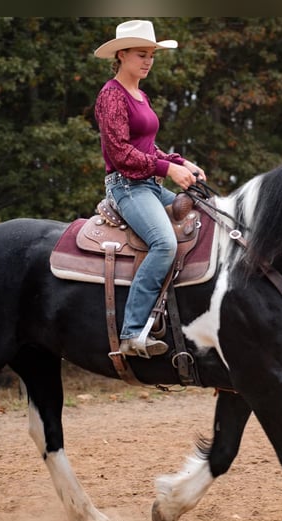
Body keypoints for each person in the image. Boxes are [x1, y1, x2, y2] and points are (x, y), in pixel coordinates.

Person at [94, 20, 206, 358]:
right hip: (127, 187)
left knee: (204, 216)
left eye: (152, 56)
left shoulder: (140, 95)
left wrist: (182, 163)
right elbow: (121, 153)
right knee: (164, 243)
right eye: (142, 55)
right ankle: (131, 333)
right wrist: (168, 169)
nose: (148, 61)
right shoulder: (111, 95)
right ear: (122, 54)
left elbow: (148, 149)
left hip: (149, 185)